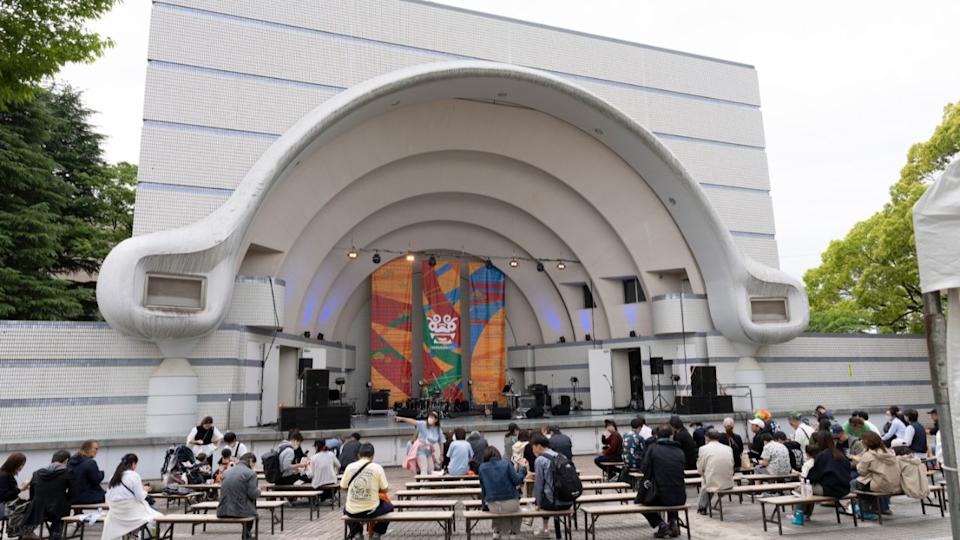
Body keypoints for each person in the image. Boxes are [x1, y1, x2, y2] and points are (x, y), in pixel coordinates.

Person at [638, 425, 686, 538]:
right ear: (671, 436)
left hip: (658, 495)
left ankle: (662, 525)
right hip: (680, 495)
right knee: (671, 492)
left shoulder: (652, 448)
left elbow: (643, 468)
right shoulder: (679, 450)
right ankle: (672, 522)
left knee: (640, 503)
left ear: (656, 436)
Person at [101, 453, 161, 540]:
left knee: (139, 512)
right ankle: (135, 534)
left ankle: (133, 534)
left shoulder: (113, 477)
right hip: (130, 512)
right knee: (151, 511)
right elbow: (140, 497)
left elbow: (109, 495)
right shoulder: (134, 475)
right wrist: (145, 490)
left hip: (116, 512)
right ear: (133, 464)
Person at [341, 443, 392, 540]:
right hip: (371, 511)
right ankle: (377, 533)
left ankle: (357, 533)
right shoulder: (377, 468)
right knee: (390, 508)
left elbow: (343, 487)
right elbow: (385, 489)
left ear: (358, 455)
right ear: (373, 455)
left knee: (346, 509)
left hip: (352, 511)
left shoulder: (350, 467)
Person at [478, 447, 526, 539]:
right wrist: (523, 469)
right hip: (511, 503)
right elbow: (517, 481)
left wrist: (484, 506)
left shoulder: (482, 468)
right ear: (497, 454)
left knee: (498, 509)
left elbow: (483, 490)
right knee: (517, 510)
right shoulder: (506, 463)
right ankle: (514, 533)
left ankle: (497, 531)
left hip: (493, 506)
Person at [24, 450, 73, 540]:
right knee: (61, 504)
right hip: (58, 511)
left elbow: (32, 495)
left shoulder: (37, 473)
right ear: (66, 461)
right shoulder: (68, 473)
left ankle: (29, 531)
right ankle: (56, 534)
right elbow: (73, 492)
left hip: (37, 511)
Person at [802, 431, 851, 517]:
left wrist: (806, 480)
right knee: (809, 488)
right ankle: (806, 514)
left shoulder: (822, 456)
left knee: (802, 488)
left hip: (829, 489)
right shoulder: (841, 453)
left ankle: (799, 514)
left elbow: (814, 475)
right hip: (845, 488)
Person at [530, 433, 569, 539]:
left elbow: (538, 485)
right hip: (567, 500)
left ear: (538, 446)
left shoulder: (540, 460)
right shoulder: (562, 456)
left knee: (542, 497)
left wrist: (537, 504)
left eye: (533, 447)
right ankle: (555, 532)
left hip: (553, 503)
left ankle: (545, 529)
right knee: (548, 492)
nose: (533, 450)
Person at [851, 432, 898, 518]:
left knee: (855, 483)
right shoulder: (890, 452)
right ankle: (879, 507)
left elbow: (861, 471)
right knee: (865, 483)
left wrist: (859, 462)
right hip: (894, 483)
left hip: (880, 484)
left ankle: (865, 510)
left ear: (866, 443)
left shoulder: (869, 455)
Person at [216, 452, 260, 540]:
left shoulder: (226, 472)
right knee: (253, 509)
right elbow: (253, 494)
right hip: (240, 512)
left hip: (222, 510)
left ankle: (246, 535)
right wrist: (259, 491)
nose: (254, 466)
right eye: (254, 463)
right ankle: (246, 535)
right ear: (250, 461)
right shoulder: (251, 473)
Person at [696, 430, 734, 515]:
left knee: (706, 482)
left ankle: (701, 507)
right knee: (710, 477)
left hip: (713, 482)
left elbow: (700, 468)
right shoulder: (728, 448)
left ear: (707, 437)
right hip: (728, 481)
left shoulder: (703, 449)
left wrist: (703, 474)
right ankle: (702, 507)